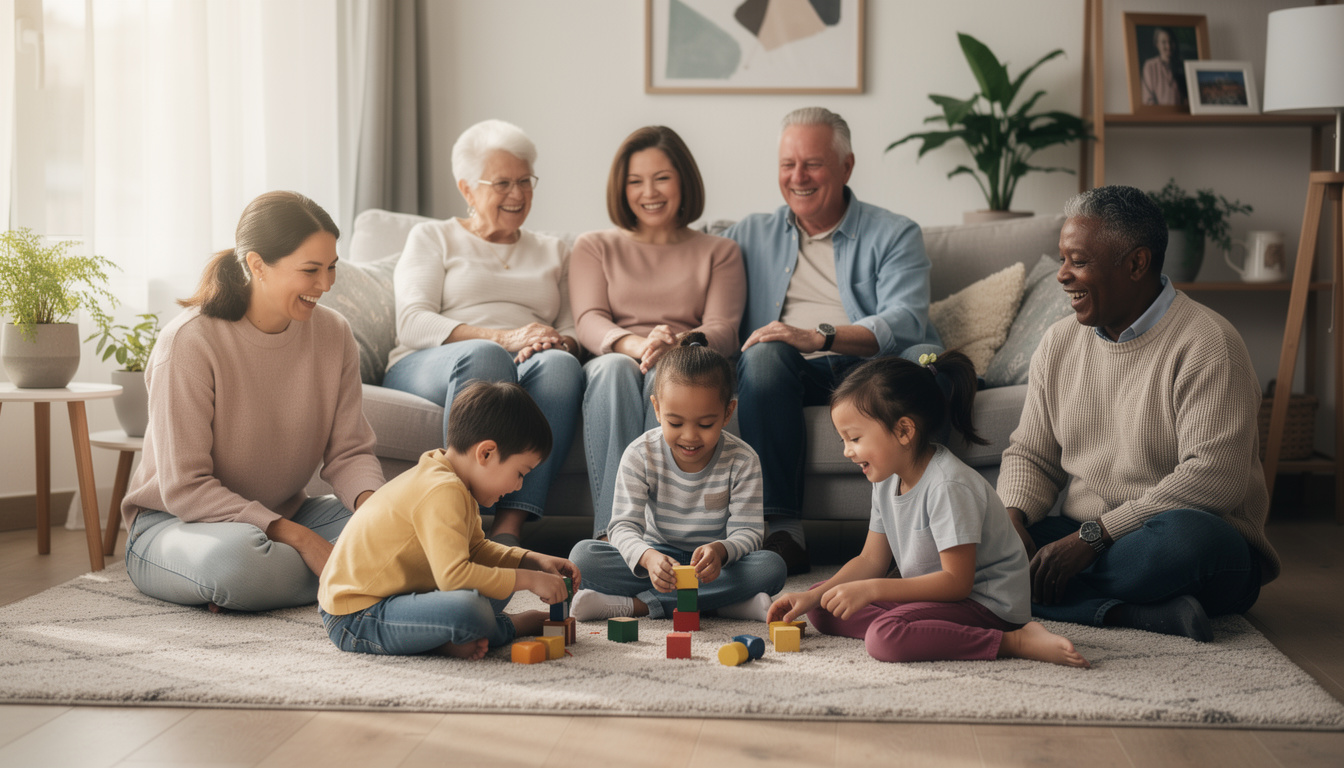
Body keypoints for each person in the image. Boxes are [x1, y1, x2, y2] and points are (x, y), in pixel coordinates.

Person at [999, 185, 1280, 642]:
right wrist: (1009, 519)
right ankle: (1135, 612)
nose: (1062, 276)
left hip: (1191, 538)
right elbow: (1031, 453)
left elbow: (1214, 478)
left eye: (1079, 261)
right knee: (959, 545)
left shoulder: (1209, 343)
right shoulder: (1058, 342)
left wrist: (1094, 538)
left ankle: (1028, 591)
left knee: (1188, 542)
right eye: (1063, 259)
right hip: (1086, 532)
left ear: (1135, 263)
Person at [121, 191, 386, 612]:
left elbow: (349, 452)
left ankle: (305, 578)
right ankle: (357, 577)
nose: (325, 285)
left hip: (285, 517)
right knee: (239, 566)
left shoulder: (335, 334)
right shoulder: (190, 342)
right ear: (257, 265)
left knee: (400, 534)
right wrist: (299, 538)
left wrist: (380, 514)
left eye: (332, 268)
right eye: (310, 270)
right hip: (177, 524)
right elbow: (185, 488)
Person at [768, 353, 1089, 667]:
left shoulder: (948, 486)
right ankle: (922, 629)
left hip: (985, 605)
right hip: (936, 596)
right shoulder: (885, 480)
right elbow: (871, 560)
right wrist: (812, 598)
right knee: (823, 604)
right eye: (843, 440)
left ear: (904, 431)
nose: (847, 451)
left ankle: (1015, 641)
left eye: (853, 438)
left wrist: (872, 589)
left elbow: (956, 583)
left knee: (884, 637)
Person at [726, 107, 941, 575]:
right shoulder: (747, 235)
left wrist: (819, 336)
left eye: (813, 163)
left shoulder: (894, 232)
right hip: (787, 371)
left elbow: (906, 318)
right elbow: (694, 281)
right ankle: (784, 532)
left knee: (929, 364)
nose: (798, 177)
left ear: (846, 167)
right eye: (788, 164)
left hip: (872, 365)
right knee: (762, 357)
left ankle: (920, 532)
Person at [382, 119, 582, 547]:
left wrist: (554, 342)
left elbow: (570, 330)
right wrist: (505, 338)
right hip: (434, 362)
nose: (517, 194)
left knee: (563, 366)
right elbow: (413, 321)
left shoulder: (553, 250)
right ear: (468, 189)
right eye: (502, 183)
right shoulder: (434, 236)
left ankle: (509, 530)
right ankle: (458, 521)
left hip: (528, 360)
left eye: (525, 181)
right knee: (488, 360)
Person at [319, 381, 581, 659]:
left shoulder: (455, 481)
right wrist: (529, 580)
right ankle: (505, 627)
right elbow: (454, 578)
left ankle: (447, 636)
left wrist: (530, 560)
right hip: (356, 615)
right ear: (486, 453)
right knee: (470, 610)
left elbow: (476, 551)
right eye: (520, 473)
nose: (519, 486)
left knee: (498, 584)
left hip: (396, 598)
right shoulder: (442, 489)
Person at [570, 125, 746, 538]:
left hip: (686, 359)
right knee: (614, 369)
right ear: (622, 187)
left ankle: (667, 535)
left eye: (662, 178)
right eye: (635, 181)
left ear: (684, 180)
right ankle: (612, 536)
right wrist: (639, 344)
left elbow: (723, 327)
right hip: (617, 355)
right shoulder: (594, 245)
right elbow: (589, 319)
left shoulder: (720, 251)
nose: (649, 192)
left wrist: (679, 345)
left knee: (667, 378)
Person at [567, 333, 787, 622]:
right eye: (675, 422)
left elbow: (748, 533)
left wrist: (721, 550)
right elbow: (622, 526)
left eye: (706, 424)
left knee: (771, 567)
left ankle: (637, 606)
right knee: (582, 558)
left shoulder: (743, 460)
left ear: (727, 412)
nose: (690, 436)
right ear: (657, 409)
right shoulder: (640, 453)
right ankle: (722, 606)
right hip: (658, 557)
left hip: (713, 567)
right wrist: (648, 558)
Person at [1141, 27, 1187, 107]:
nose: (1168, 46)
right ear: (1157, 44)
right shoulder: (1150, 66)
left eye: (1171, 42)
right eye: (1164, 42)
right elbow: (1147, 99)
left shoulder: (1182, 66)